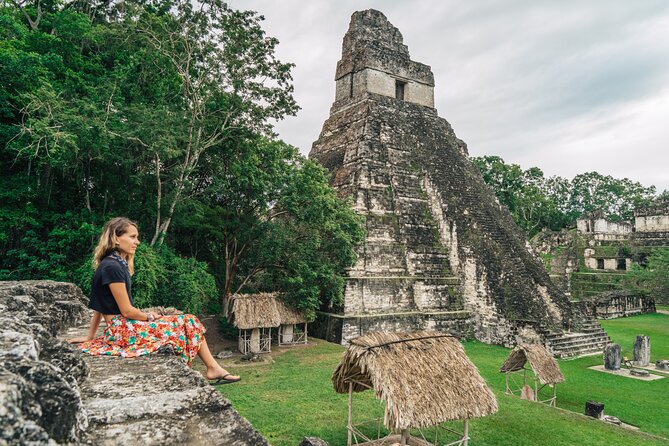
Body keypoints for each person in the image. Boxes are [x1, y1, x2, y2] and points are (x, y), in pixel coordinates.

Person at [69, 217, 240, 385]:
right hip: (123, 330)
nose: (137, 242)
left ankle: (211, 368)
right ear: (116, 238)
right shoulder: (113, 267)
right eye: (132, 237)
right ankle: (208, 369)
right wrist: (149, 316)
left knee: (187, 321)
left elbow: (99, 305)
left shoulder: (111, 264)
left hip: (121, 327)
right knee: (188, 321)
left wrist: (90, 336)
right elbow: (127, 311)